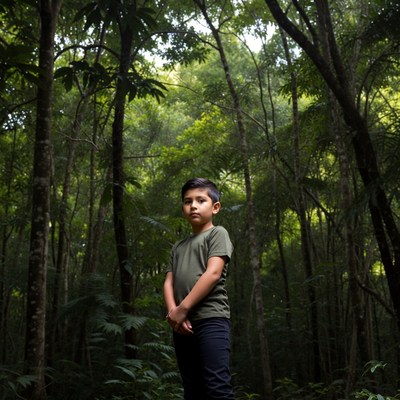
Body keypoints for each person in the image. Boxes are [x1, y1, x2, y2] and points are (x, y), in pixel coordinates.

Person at [163, 178, 235, 400]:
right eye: (187, 201)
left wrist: (183, 308)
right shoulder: (178, 246)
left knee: (216, 385)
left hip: (211, 319)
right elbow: (168, 282)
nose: (193, 205)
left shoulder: (217, 234)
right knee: (192, 387)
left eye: (200, 200)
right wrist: (174, 313)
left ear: (215, 207)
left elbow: (212, 273)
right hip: (182, 325)